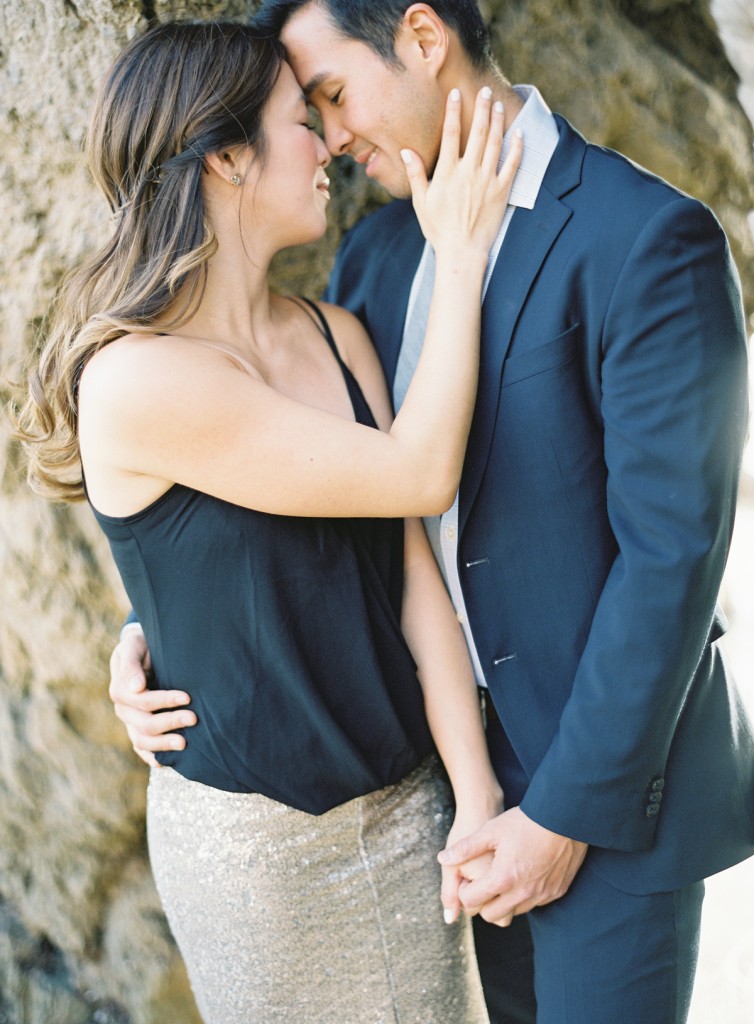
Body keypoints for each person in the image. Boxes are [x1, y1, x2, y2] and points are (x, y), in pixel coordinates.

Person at [109, 3, 754, 1023]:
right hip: (437, 806)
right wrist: (154, 634)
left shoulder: (647, 240)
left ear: (419, 36)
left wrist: (563, 816)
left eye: (331, 94)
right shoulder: (375, 258)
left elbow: (671, 558)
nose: (330, 135)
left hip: (607, 798)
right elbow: (300, 501)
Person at [15, 18, 529, 1024]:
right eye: (304, 119)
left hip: (406, 812)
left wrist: (472, 794)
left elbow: (409, 572)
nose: (329, 143)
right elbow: (419, 471)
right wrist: (458, 257)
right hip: (258, 859)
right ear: (226, 157)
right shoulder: (136, 380)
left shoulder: (337, 335)